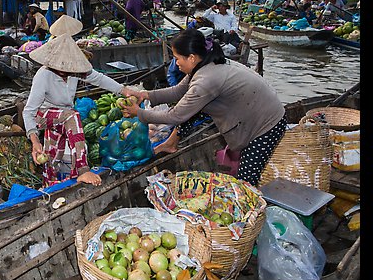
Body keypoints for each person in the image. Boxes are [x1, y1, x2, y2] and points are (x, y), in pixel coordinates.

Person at [120, 28, 287, 186]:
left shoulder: (206, 80)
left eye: (177, 58)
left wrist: (139, 113)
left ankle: (252, 212)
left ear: (191, 57)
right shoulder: (203, 65)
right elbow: (178, 91)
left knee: (246, 180)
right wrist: (146, 95)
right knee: (192, 109)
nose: (175, 63)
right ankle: (171, 143)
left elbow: (175, 116)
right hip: (253, 110)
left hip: (267, 124)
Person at [22, 15, 137, 188]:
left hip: (62, 115)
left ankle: (49, 184)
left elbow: (98, 78)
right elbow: (29, 111)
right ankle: (82, 170)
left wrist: (124, 90)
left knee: (53, 154)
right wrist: (34, 141)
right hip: (43, 115)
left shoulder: (75, 69)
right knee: (72, 116)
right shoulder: (44, 75)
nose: (64, 72)